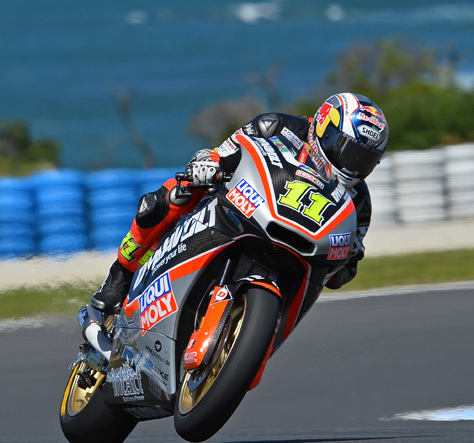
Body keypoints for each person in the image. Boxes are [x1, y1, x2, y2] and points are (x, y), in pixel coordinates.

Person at [89, 92, 389, 315]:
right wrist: (209, 164)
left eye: (364, 160)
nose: (353, 166)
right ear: (325, 127)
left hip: (291, 254)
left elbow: (344, 273)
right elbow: (223, 155)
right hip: (240, 207)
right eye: (349, 152)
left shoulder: (359, 202)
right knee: (173, 195)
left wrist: (347, 257)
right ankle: (120, 275)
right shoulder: (276, 126)